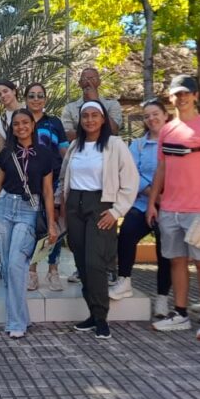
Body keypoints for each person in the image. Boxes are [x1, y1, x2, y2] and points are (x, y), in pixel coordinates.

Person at [148, 75, 200, 341]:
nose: (181, 98)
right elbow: (161, 168)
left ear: (195, 96)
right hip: (170, 209)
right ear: (170, 97)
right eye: (177, 94)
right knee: (176, 262)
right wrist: (153, 202)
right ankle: (180, 313)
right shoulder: (167, 130)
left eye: (186, 93)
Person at [59, 101, 139, 339]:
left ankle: (102, 318)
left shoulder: (115, 145)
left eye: (95, 115)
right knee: (82, 263)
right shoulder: (75, 146)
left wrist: (116, 211)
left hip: (100, 206)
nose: (90, 120)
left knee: (96, 262)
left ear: (103, 119)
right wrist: (61, 205)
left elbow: (130, 180)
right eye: (85, 116)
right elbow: (64, 177)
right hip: (75, 205)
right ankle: (93, 314)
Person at [0, 109, 58, 339]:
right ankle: (21, 317)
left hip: (29, 210)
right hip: (5, 207)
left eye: (25, 122)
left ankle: (16, 322)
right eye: (16, 124)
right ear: (12, 128)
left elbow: (48, 192)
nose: (21, 127)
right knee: (7, 266)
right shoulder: (7, 153)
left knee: (16, 264)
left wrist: (52, 224)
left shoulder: (45, 154)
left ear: (33, 125)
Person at [111, 98, 172, 317]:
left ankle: (163, 297)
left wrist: (165, 198)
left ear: (165, 115)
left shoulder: (175, 142)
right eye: (147, 116)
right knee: (127, 233)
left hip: (171, 204)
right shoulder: (137, 145)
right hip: (142, 203)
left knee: (165, 249)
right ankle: (124, 279)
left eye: (155, 114)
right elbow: (131, 174)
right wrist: (153, 195)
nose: (151, 119)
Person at [24, 82, 68, 291]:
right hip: (30, 184)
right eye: (32, 95)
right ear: (25, 99)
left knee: (54, 227)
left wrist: (68, 177)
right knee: (33, 226)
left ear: (45, 99)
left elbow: (64, 152)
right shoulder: (22, 121)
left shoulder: (54, 123)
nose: (36, 99)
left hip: (55, 181)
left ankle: (53, 270)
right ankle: (32, 272)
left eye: (40, 95)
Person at [60, 67, 123, 140]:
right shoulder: (70, 108)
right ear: (80, 83)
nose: (88, 82)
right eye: (85, 79)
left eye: (93, 79)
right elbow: (67, 134)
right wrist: (93, 135)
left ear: (99, 82)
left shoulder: (112, 105)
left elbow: (113, 130)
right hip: (80, 146)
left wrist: (96, 100)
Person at [0, 79, 22, 148]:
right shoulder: (0, 123)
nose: (3, 95)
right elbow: (2, 151)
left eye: (5, 91)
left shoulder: (33, 109)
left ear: (14, 91)